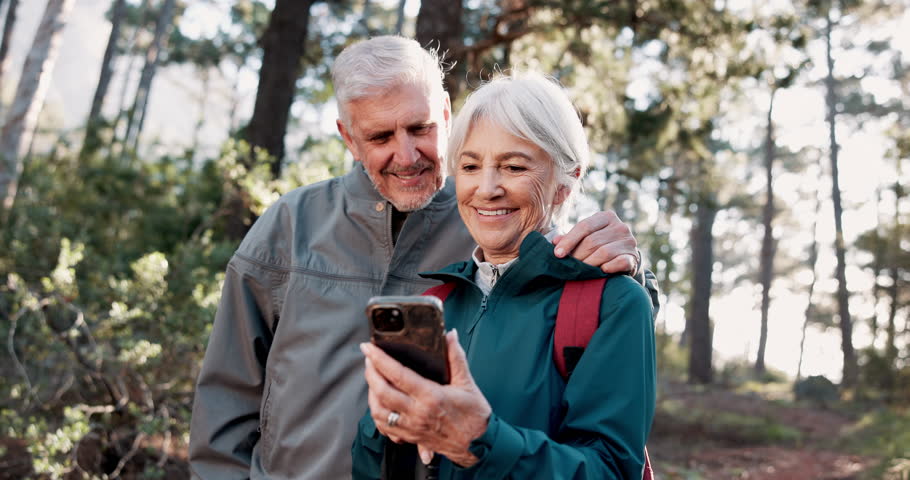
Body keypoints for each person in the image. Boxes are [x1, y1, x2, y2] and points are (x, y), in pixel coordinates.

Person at [189, 36, 656, 480]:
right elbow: (227, 396)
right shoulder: (290, 225)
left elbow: (589, 297)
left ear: (446, 115)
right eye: (379, 136)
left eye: (420, 128)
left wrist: (636, 274)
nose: (406, 155)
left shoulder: (487, 217)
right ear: (348, 138)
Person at [352, 71, 656, 479]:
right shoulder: (438, 302)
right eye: (471, 166)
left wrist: (481, 440)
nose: (487, 188)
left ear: (566, 183)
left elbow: (611, 471)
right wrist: (384, 425)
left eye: (513, 167)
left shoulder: (613, 304)